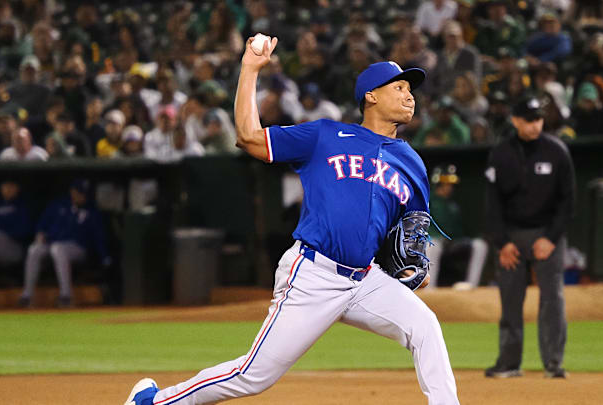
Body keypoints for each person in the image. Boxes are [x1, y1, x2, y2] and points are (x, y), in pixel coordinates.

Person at [123, 37, 460, 405]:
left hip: (365, 280)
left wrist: (414, 262)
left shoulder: (411, 162)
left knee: (424, 326)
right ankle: (152, 401)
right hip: (313, 275)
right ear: (371, 96)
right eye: (399, 88)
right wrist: (250, 69)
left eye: (410, 90)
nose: (410, 96)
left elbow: (412, 226)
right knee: (252, 375)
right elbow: (249, 138)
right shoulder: (325, 136)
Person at [484, 95, 575, 379]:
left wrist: (550, 237)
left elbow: (568, 201)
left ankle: (554, 363)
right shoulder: (501, 153)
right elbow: (492, 203)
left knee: (553, 298)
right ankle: (509, 363)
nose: (535, 126)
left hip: (546, 236)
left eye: (538, 119)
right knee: (510, 299)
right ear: (515, 121)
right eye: (529, 120)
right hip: (511, 236)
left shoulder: (557, 151)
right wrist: (502, 243)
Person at [19, 180, 110, 308]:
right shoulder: (59, 205)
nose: (79, 196)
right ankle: (27, 295)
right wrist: (40, 234)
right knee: (34, 249)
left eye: (82, 194)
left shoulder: (92, 212)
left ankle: (66, 295)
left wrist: (104, 256)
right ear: (72, 192)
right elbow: (42, 225)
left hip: (77, 248)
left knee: (58, 249)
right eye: (77, 192)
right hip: (51, 244)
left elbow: (99, 237)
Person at [426, 165, 488, 290]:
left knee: (480, 245)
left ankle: (471, 285)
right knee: (433, 244)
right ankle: (429, 288)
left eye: (450, 184)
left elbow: (460, 230)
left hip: (452, 243)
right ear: (438, 183)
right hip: (432, 242)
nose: (449, 187)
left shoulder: (453, 205)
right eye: (446, 184)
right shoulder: (427, 201)